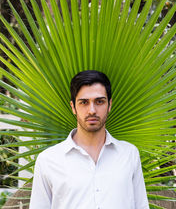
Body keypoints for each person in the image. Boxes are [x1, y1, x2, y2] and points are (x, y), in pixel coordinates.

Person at [30, 70, 149, 209]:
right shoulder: (48, 160)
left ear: (109, 105)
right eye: (84, 102)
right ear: (73, 107)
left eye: (99, 101)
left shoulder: (129, 154)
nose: (92, 110)